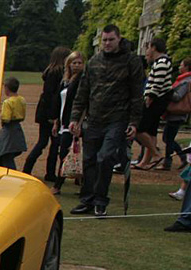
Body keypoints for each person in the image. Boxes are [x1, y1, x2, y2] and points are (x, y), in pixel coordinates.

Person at [68, 24, 144, 217]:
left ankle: (100, 201)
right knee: (89, 160)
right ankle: (87, 200)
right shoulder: (94, 62)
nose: (107, 43)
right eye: (105, 40)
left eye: (111, 40)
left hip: (117, 119)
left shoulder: (131, 61)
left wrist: (134, 122)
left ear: (119, 39)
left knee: (105, 157)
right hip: (94, 119)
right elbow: (83, 92)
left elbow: (137, 94)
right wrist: (75, 118)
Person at [22, 46, 68, 181]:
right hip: (50, 113)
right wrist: (53, 116)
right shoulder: (57, 73)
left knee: (46, 142)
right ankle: (44, 171)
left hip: (46, 112)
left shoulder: (50, 72)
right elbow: (52, 96)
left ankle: (33, 169)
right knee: (49, 143)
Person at [132, 38, 173, 170]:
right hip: (158, 99)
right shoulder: (161, 62)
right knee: (151, 131)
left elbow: (157, 83)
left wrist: (150, 97)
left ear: (154, 47)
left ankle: (155, 154)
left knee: (140, 129)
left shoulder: (161, 62)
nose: (147, 51)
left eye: (149, 47)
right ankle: (145, 161)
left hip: (156, 99)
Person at [52, 51, 86, 194]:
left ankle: (57, 185)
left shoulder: (82, 80)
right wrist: (55, 122)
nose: (76, 65)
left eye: (79, 63)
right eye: (74, 62)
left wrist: (78, 121)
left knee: (65, 154)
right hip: (63, 121)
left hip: (73, 122)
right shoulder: (65, 80)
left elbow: (82, 102)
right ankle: (81, 182)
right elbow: (59, 102)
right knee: (67, 152)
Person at [161, 57, 190, 171]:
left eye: (181, 65)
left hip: (177, 113)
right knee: (168, 138)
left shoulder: (186, 81)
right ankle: (181, 156)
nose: (179, 67)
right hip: (176, 114)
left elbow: (178, 97)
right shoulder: (184, 80)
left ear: (187, 67)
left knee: (168, 138)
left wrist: (167, 91)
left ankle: (169, 161)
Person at [0, 77, 27, 169]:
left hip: (8, 130)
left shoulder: (8, 102)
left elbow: (6, 118)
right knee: (4, 156)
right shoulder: (21, 100)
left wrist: (1, 115)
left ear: (7, 88)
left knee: (4, 153)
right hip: (17, 129)